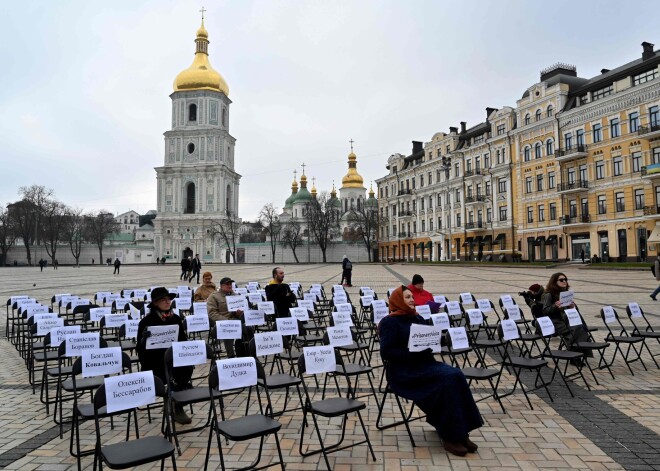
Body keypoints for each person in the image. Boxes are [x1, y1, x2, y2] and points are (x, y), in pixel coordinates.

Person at [379, 286, 483, 456]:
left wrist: (434, 342)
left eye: (412, 297)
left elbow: (427, 341)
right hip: (405, 371)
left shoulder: (418, 317)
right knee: (446, 381)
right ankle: (450, 436)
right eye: (407, 297)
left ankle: (462, 432)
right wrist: (412, 352)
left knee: (456, 375)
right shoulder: (389, 322)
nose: (412, 300)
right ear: (398, 300)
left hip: (426, 364)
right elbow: (386, 352)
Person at [136, 287, 193, 424]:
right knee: (166, 371)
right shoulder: (146, 322)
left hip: (174, 358)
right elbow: (139, 350)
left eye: (169, 299)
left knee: (186, 367)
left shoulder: (176, 319)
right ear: (155, 303)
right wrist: (144, 340)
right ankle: (172, 401)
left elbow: (183, 341)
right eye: (163, 300)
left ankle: (176, 404)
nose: (168, 302)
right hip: (154, 360)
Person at [541, 272, 590, 354]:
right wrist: (555, 306)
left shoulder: (565, 293)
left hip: (567, 319)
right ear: (554, 282)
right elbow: (545, 311)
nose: (564, 281)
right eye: (561, 280)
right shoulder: (548, 294)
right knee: (572, 333)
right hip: (556, 321)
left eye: (565, 279)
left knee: (579, 329)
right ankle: (574, 355)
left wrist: (573, 306)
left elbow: (572, 310)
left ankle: (579, 353)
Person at [207, 277, 244, 357]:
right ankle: (231, 356)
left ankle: (244, 353)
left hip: (235, 321)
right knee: (228, 331)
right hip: (221, 323)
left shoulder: (236, 296)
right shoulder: (214, 296)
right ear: (221, 286)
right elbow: (212, 313)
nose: (229, 286)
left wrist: (238, 313)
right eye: (227, 284)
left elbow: (240, 310)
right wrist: (226, 321)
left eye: (230, 284)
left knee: (248, 329)